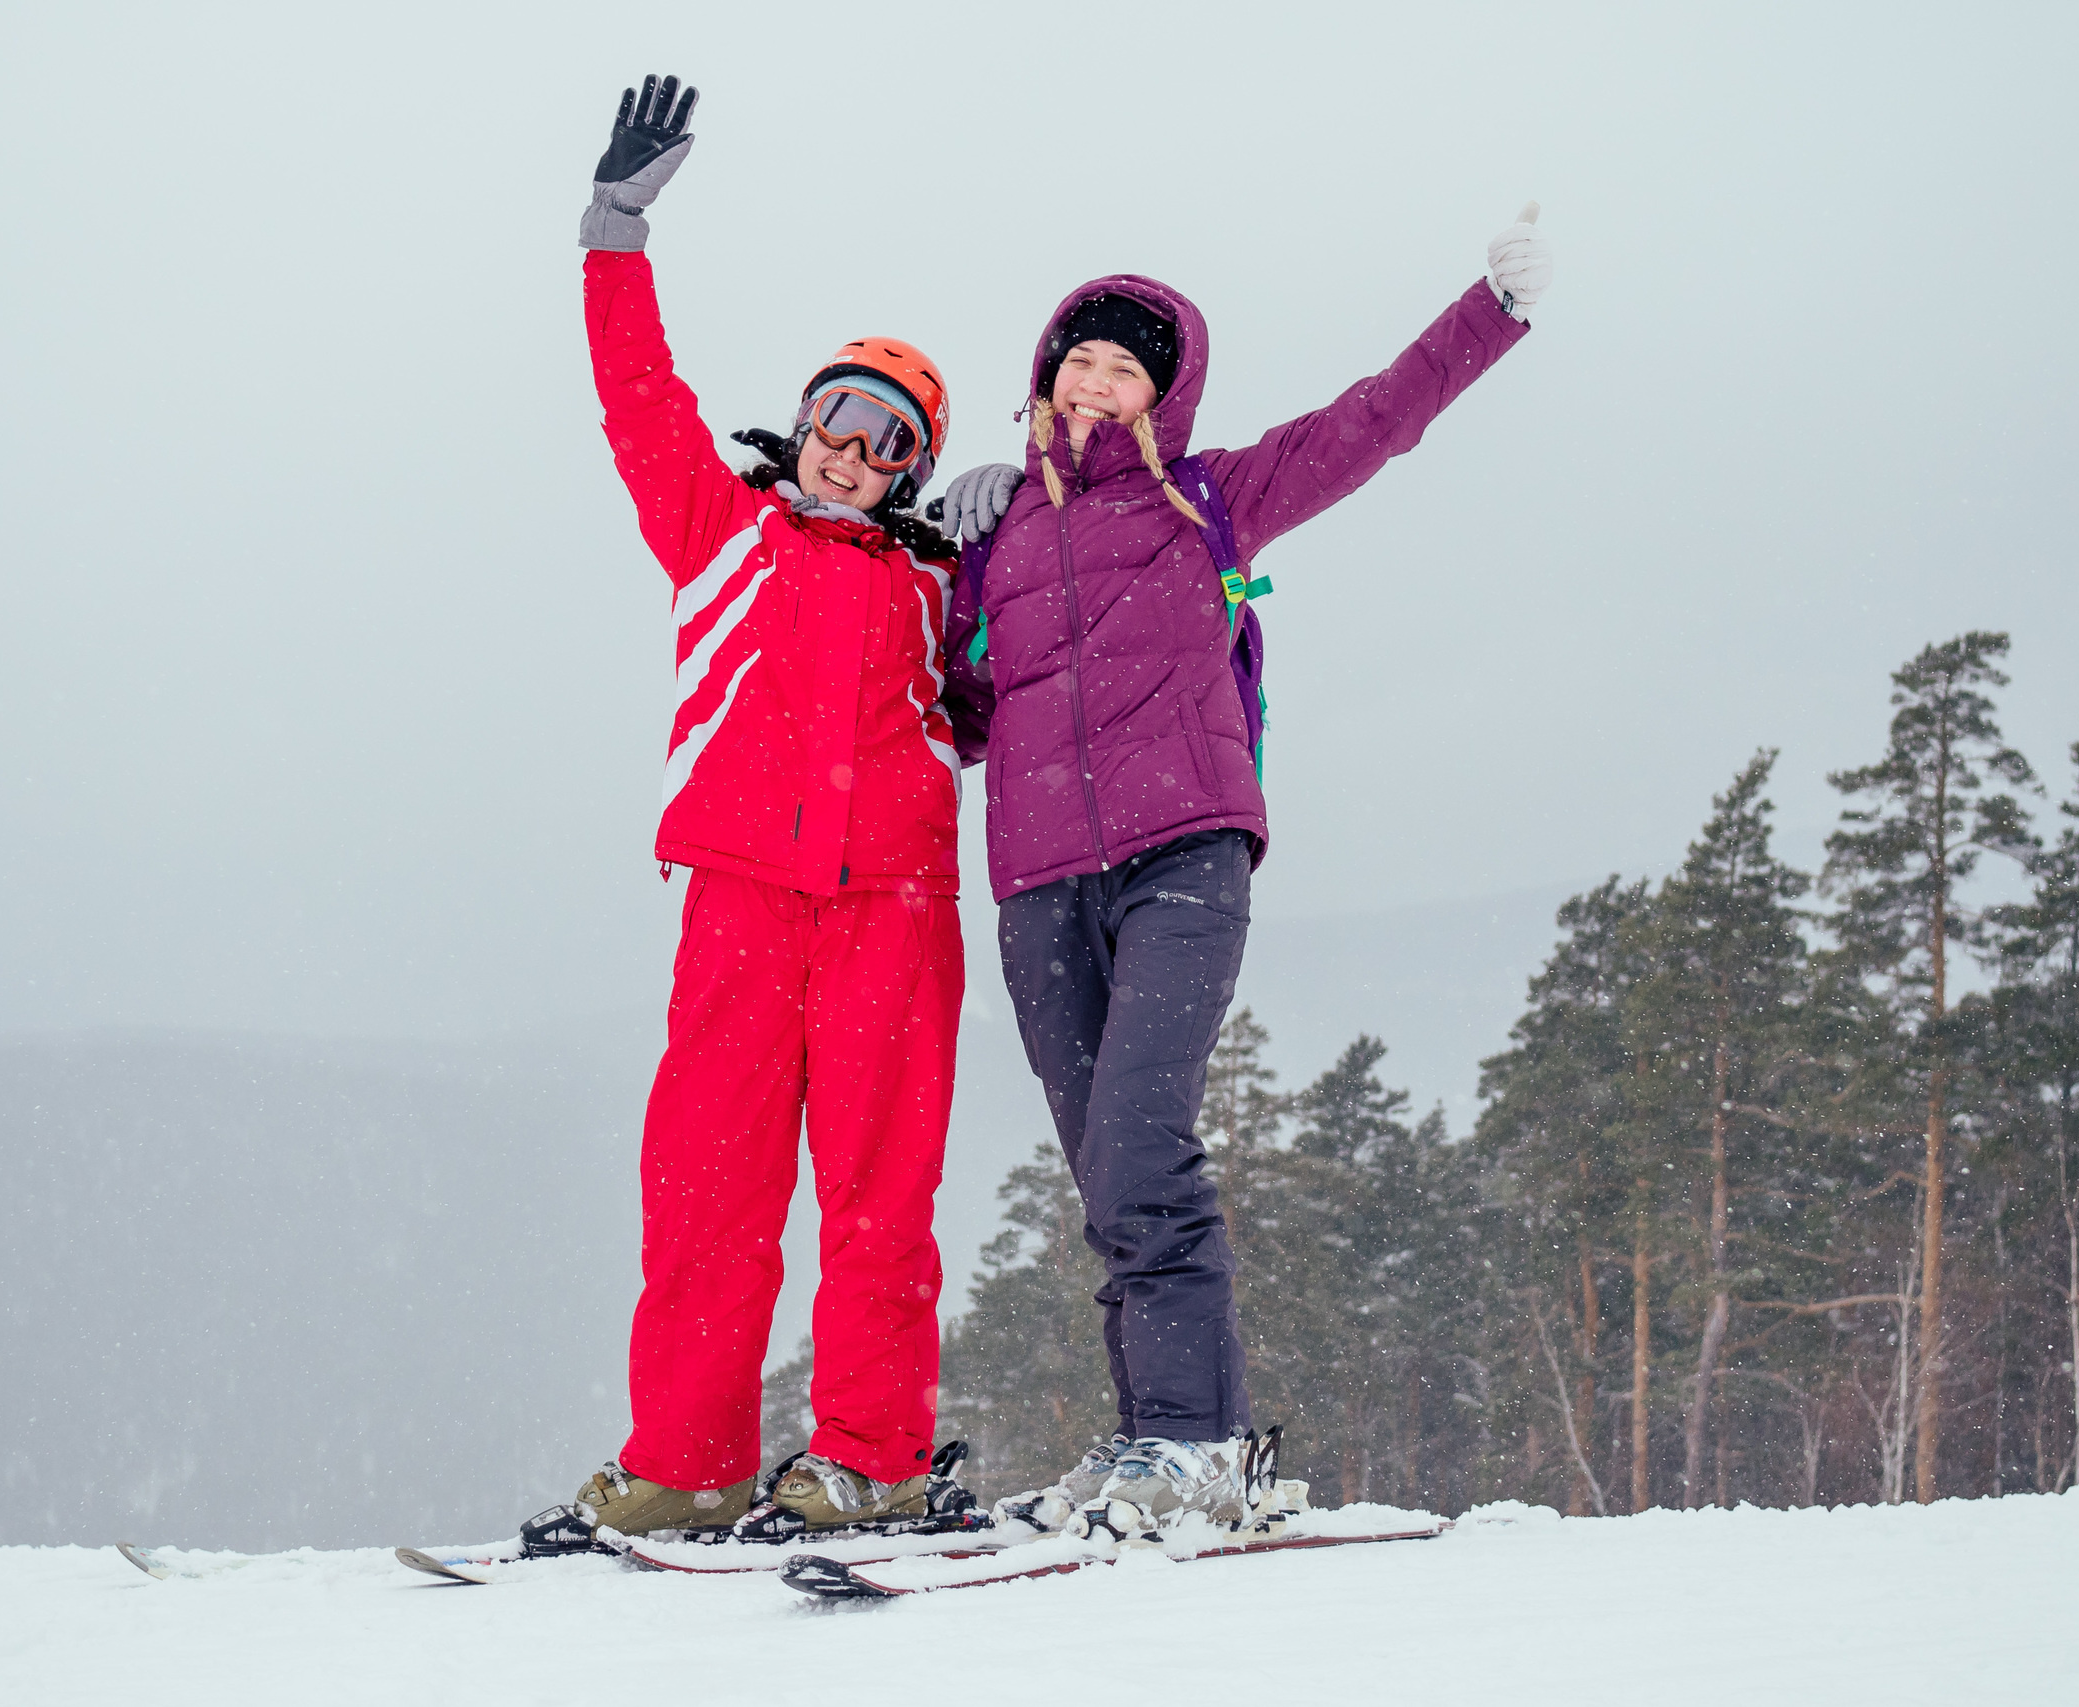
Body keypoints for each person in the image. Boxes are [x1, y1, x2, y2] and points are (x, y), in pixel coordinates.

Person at [936, 213, 1555, 1540]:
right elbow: (962, 712)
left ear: (1165, 392)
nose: (1098, 386)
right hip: (1037, 884)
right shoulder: (999, 543)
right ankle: (1152, 1437)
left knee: (1144, 1137)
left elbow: (1373, 421)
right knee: (1103, 1173)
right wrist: (941, 553)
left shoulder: (1209, 496)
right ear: (1046, 378)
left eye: (1126, 371)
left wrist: (1489, 311)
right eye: (1081, 364)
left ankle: (1198, 1440)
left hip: (1185, 853)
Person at [528, 74, 969, 1550]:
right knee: (707, 1194)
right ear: (802, 422)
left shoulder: (934, 589)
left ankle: (869, 1461)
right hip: (736, 903)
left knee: (875, 1202)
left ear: (915, 469)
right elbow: (636, 396)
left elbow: (1048, 659)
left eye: (892, 438)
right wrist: (615, 231)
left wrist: (1018, 524)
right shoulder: (721, 532)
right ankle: (692, 1460)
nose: (855, 449)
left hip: (891, 917)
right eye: (840, 417)